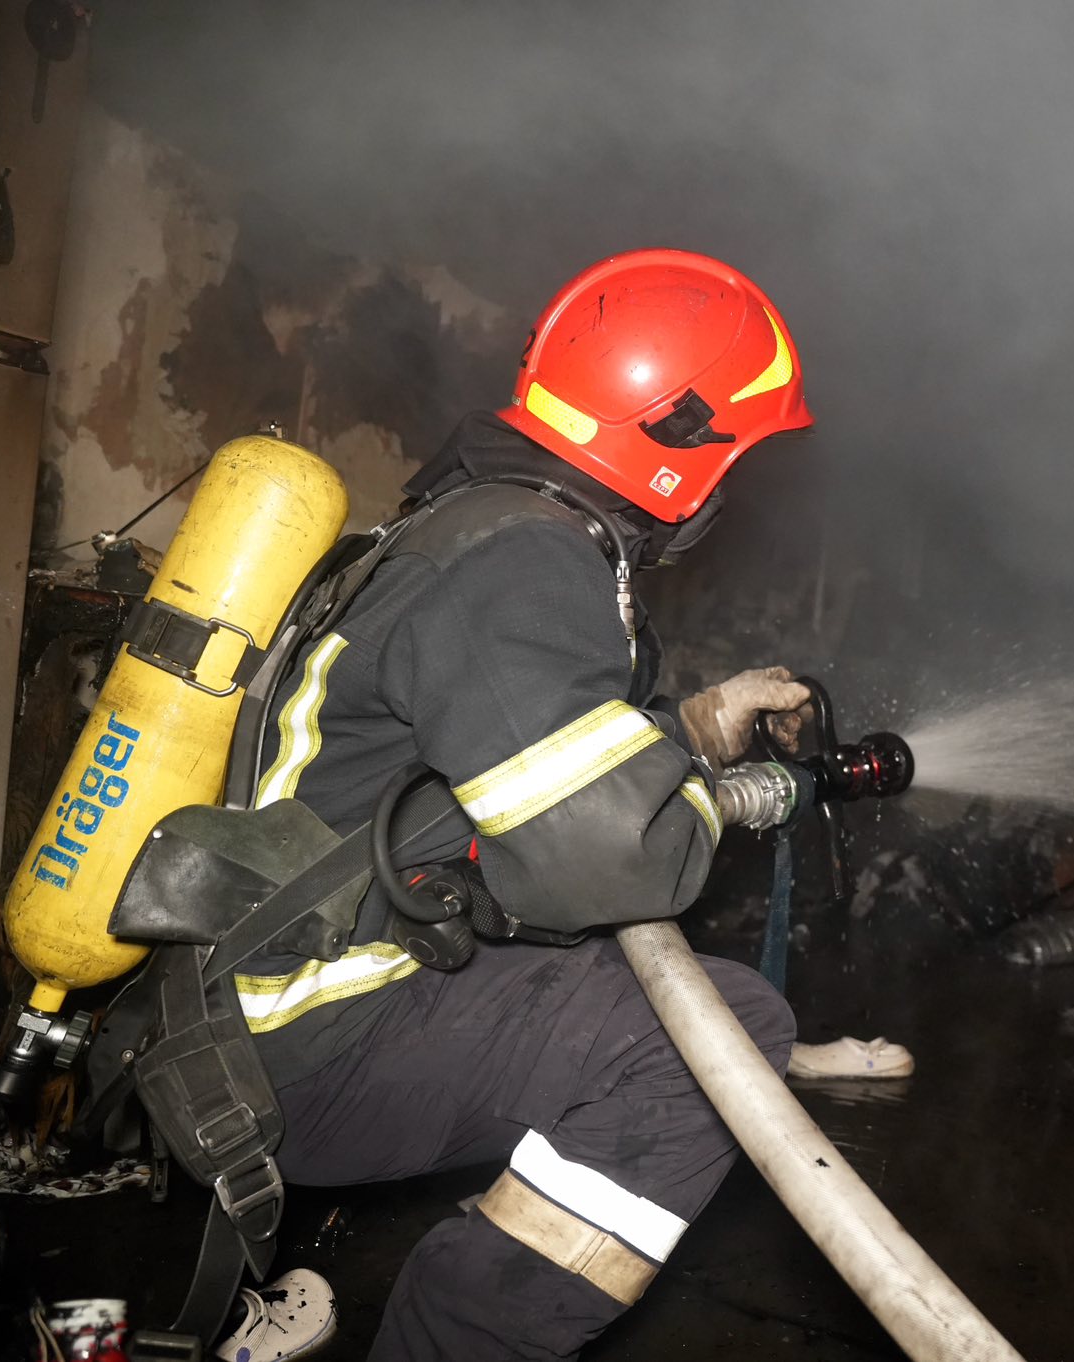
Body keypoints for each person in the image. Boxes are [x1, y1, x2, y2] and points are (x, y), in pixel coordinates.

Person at [231, 249, 816, 1360]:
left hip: (293, 985)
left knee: (638, 1008)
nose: (729, 489)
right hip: (312, 1034)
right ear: (677, 445)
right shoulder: (522, 559)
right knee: (717, 1037)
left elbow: (509, 757)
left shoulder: (478, 527)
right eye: (730, 456)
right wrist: (717, 799)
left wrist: (690, 727)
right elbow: (605, 857)